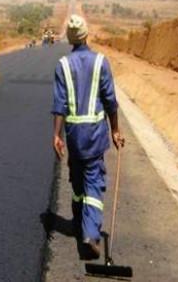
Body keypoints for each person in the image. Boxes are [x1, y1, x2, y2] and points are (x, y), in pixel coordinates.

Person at [51, 14, 125, 259]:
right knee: (93, 182)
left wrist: (56, 135)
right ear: (86, 34)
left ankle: (77, 220)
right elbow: (110, 101)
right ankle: (90, 233)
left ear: (71, 38)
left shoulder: (62, 64)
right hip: (94, 135)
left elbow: (59, 105)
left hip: (74, 136)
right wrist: (115, 129)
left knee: (78, 181)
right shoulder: (100, 62)